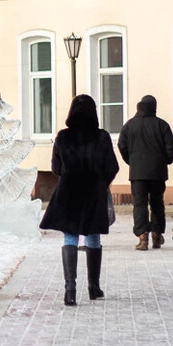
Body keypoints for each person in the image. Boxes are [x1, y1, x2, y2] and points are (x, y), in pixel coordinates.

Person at [40, 94, 120, 305]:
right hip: (94, 192)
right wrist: (101, 182)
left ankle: (70, 290)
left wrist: (69, 175)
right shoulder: (102, 137)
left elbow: (56, 168)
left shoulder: (63, 137)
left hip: (69, 193)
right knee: (93, 237)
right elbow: (113, 167)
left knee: (70, 238)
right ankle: (94, 287)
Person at [117, 94, 173, 251]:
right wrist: (166, 160)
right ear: (154, 107)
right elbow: (171, 146)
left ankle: (142, 237)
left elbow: (121, 145)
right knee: (157, 203)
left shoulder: (129, 125)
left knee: (139, 204)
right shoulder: (162, 125)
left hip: (137, 173)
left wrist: (132, 161)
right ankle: (157, 235)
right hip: (158, 172)